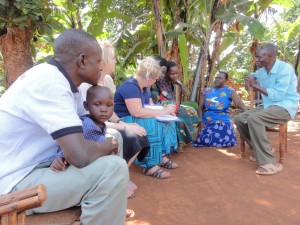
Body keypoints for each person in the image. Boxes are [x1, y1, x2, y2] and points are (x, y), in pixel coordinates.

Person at [0, 29, 128, 225]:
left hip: (39, 165)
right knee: (113, 168)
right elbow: (79, 156)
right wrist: (107, 146)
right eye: (98, 62)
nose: (101, 67)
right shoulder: (50, 83)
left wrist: (110, 140)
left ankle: (108, 206)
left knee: (113, 136)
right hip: (14, 183)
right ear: (82, 60)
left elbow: (91, 127)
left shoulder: (65, 84)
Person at [79, 41, 150, 197]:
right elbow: (92, 119)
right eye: (112, 58)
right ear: (102, 61)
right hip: (91, 127)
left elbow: (109, 111)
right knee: (128, 136)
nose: (115, 61)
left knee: (139, 133)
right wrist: (124, 128)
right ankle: (116, 181)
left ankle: (122, 175)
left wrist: (122, 122)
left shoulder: (108, 81)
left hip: (106, 123)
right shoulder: (85, 86)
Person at [234, 43, 299, 175]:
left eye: (259, 57)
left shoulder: (284, 69)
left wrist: (255, 86)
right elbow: (254, 75)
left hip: (284, 106)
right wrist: (249, 79)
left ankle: (269, 163)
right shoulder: (262, 71)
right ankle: (264, 149)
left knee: (254, 119)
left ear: (270, 56)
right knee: (240, 119)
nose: (256, 60)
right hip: (268, 106)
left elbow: (278, 95)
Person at [114, 57, 179, 179]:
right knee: (152, 124)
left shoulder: (145, 87)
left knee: (166, 121)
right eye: (155, 79)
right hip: (124, 118)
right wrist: (163, 111)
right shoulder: (130, 86)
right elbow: (137, 112)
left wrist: (165, 113)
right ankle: (150, 165)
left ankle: (161, 155)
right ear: (149, 79)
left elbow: (151, 107)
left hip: (136, 116)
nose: (155, 81)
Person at [151, 60, 201, 151]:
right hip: (162, 107)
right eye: (172, 73)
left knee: (192, 111)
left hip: (172, 106)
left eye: (176, 73)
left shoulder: (171, 80)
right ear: (166, 73)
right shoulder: (158, 81)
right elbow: (156, 100)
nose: (175, 75)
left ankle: (189, 136)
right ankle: (180, 143)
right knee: (180, 120)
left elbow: (176, 80)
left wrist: (182, 85)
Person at [193, 71, 247, 148]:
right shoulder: (206, 91)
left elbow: (238, 102)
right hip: (209, 119)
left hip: (224, 119)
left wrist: (246, 111)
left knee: (228, 142)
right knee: (204, 141)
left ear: (226, 80)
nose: (217, 80)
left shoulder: (229, 91)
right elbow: (200, 108)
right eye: (216, 78)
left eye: (220, 78)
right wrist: (201, 122)